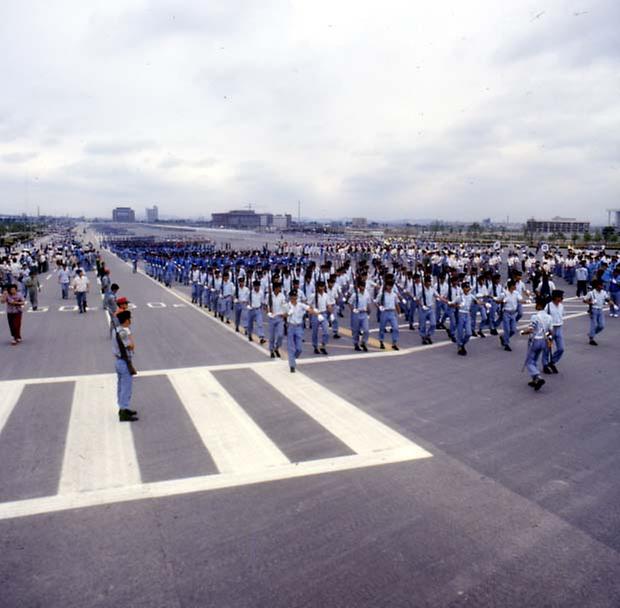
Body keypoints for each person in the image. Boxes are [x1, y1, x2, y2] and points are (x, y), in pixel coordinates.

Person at [521, 297, 553, 391]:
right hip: (544, 341)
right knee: (535, 360)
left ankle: (538, 377)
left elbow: (531, 329)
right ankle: (534, 380)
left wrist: (522, 332)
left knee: (529, 361)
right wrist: (549, 339)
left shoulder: (535, 317)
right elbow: (551, 331)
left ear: (539, 305)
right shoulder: (549, 317)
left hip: (535, 341)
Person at [113, 310, 138, 422]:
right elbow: (130, 346)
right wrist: (130, 336)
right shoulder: (123, 332)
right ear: (126, 320)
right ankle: (123, 411)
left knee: (121, 386)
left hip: (120, 361)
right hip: (124, 362)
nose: (130, 321)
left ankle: (123, 408)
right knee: (126, 387)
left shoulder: (117, 330)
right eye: (129, 319)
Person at [284, 289, 316, 372]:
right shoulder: (287, 305)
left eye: (295, 296)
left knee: (299, 348)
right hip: (291, 326)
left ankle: (293, 358)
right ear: (290, 297)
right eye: (292, 297)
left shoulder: (300, 305)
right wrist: (288, 313)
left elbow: (309, 309)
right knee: (291, 348)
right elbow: (283, 315)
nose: (294, 298)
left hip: (299, 327)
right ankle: (292, 365)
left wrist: (313, 311)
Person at [544, 289, 564, 374]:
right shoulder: (548, 306)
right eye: (560, 297)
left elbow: (562, 315)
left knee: (561, 348)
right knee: (547, 349)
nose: (561, 299)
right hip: (550, 329)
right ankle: (545, 365)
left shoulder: (561, 306)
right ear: (555, 297)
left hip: (559, 328)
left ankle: (552, 362)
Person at [584, 279, 610, 346]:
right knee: (594, 325)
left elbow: (607, 299)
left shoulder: (604, 292)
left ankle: (591, 333)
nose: (602, 286)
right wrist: (590, 302)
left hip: (600, 310)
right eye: (600, 285)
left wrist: (610, 302)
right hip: (593, 310)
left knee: (602, 325)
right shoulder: (591, 293)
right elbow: (584, 300)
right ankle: (591, 339)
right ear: (596, 286)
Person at [376, 280, 401, 350]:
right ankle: (381, 341)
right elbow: (376, 302)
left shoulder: (394, 295)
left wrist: (399, 313)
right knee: (382, 328)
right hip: (384, 312)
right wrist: (379, 307)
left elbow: (396, 304)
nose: (389, 287)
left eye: (390, 286)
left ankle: (394, 343)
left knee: (395, 328)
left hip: (392, 312)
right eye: (388, 285)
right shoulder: (382, 294)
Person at [349, 279, 370, 352]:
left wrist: (369, 312)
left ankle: (364, 342)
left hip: (364, 313)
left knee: (366, 330)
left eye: (363, 286)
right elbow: (350, 303)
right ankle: (356, 343)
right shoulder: (355, 294)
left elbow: (368, 303)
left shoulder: (367, 294)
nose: (362, 288)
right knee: (356, 330)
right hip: (357, 313)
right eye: (361, 286)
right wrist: (353, 309)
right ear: (358, 287)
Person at [267, 281, 286, 358]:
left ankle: (277, 348)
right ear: (275, 288)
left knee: (280, 335)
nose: (280, 289)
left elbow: (284, 306)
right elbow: (267, 306)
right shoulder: (269, 296)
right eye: (278, 287)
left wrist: (285, 314)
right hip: (272, 317)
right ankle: (271, 350)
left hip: (280, 317)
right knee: (272, 336)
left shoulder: (282, 296)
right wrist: (268, 312)